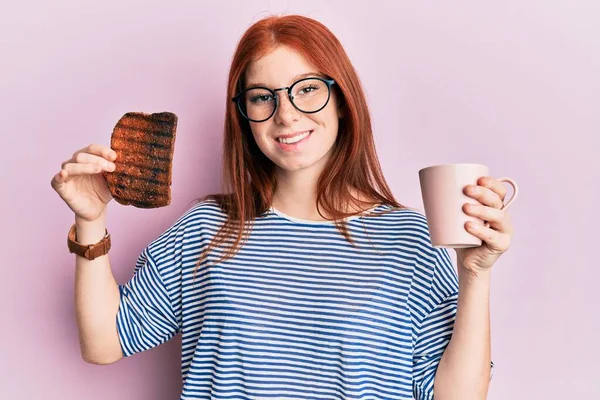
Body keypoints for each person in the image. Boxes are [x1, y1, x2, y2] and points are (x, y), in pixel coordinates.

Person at [51, 14, 513, 400]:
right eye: (262, 97)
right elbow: (104, 342)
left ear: (343, 99)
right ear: (245, 116)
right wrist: (90, 220)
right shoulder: (207, 228)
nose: (286, 114)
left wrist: (475, 274)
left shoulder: (412, 238)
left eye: (306, 88)